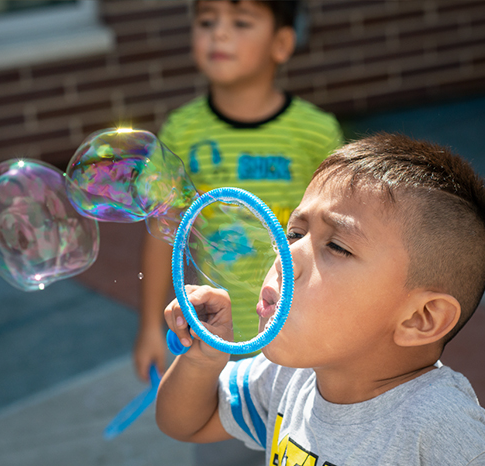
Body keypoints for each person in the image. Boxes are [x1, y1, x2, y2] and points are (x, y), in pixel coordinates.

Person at [156, 133, 485, 465]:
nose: (287, 256)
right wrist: (202, 362)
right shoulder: (289, 377)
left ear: (420, 318)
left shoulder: (448, 436)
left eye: (336, 246)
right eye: (295, 232)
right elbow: (188, 423)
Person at [134, 0, 343, 382]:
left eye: (241, 22)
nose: (220, 32)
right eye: (207, 20)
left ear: (281, 43)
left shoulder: (316, 131)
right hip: (214, 332)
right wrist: (150, 325)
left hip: (297, 331)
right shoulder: (182, 130)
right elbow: (162, 230)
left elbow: (334, 232)